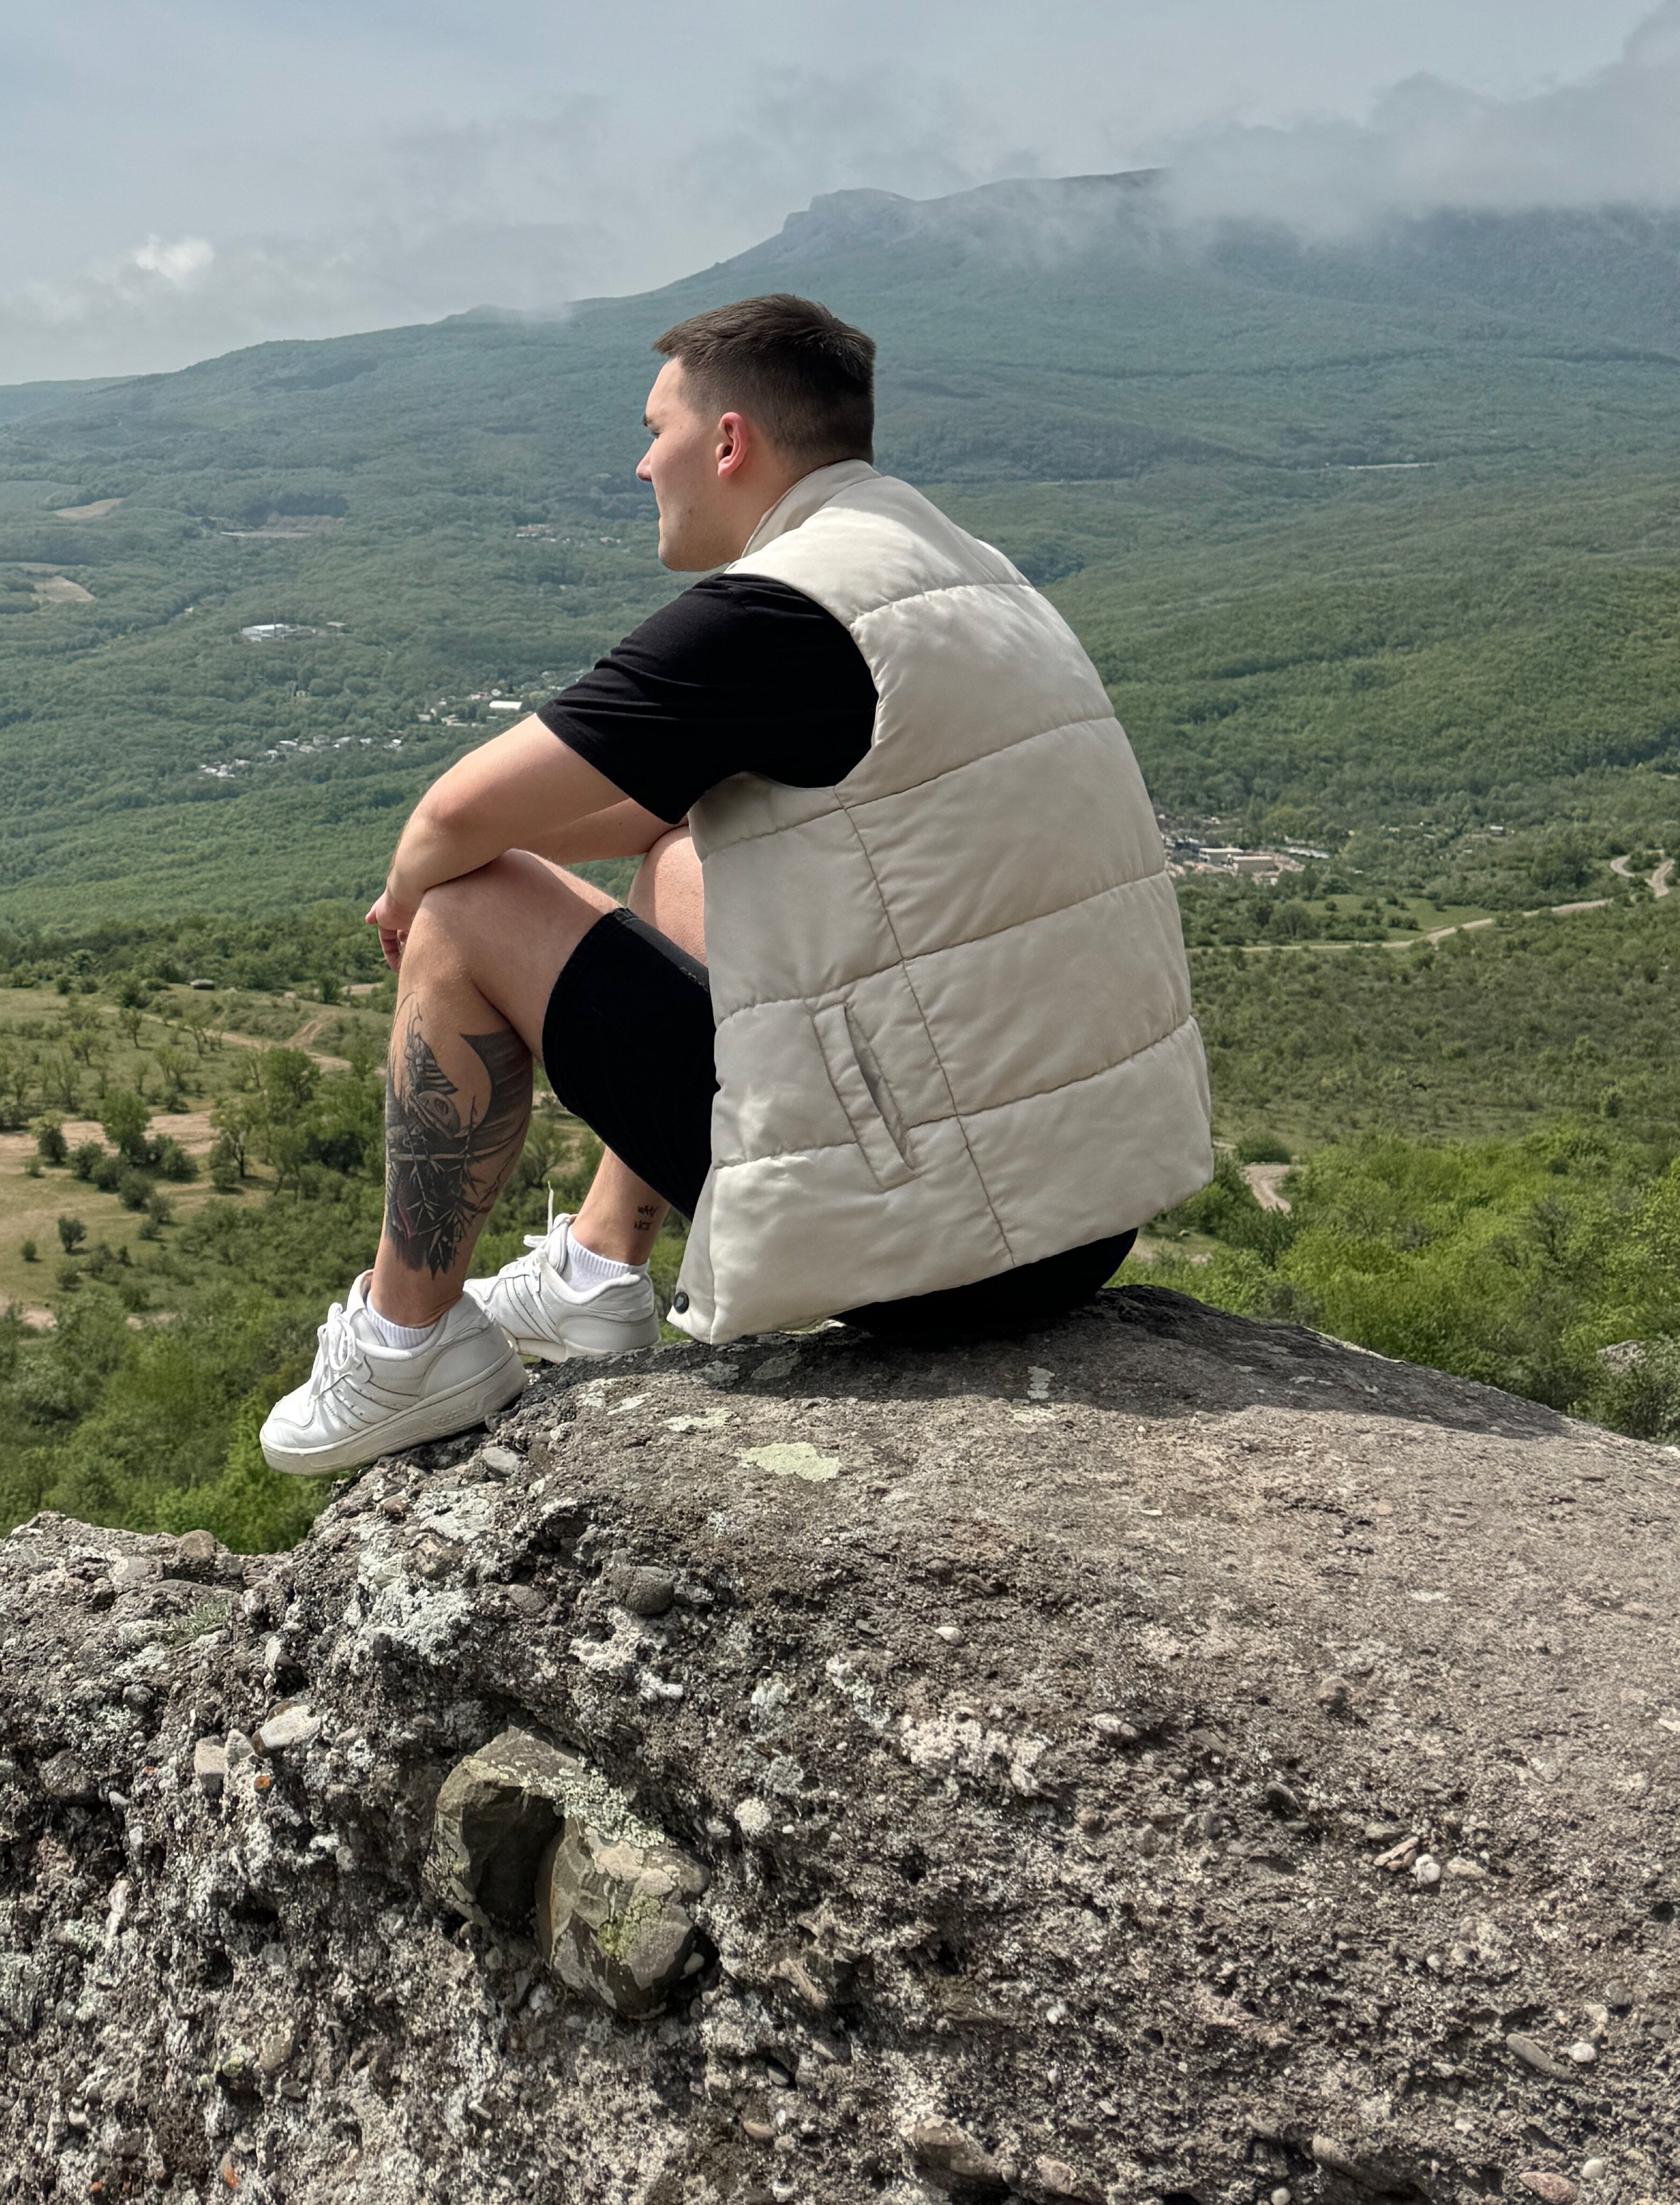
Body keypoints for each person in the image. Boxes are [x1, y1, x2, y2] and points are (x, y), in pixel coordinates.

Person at [259, 290, 1212, 1474]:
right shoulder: (959, 574)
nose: (640, 462)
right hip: (1075, 1213)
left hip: (934, 1243)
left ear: (728, 442)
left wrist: (415, 904)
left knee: (468, 906)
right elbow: (649, 810)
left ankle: (406, 1349)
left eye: (654, 429)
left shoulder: (774, 613)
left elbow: (455, 814)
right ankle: (603, 1271)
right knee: (681, 853)